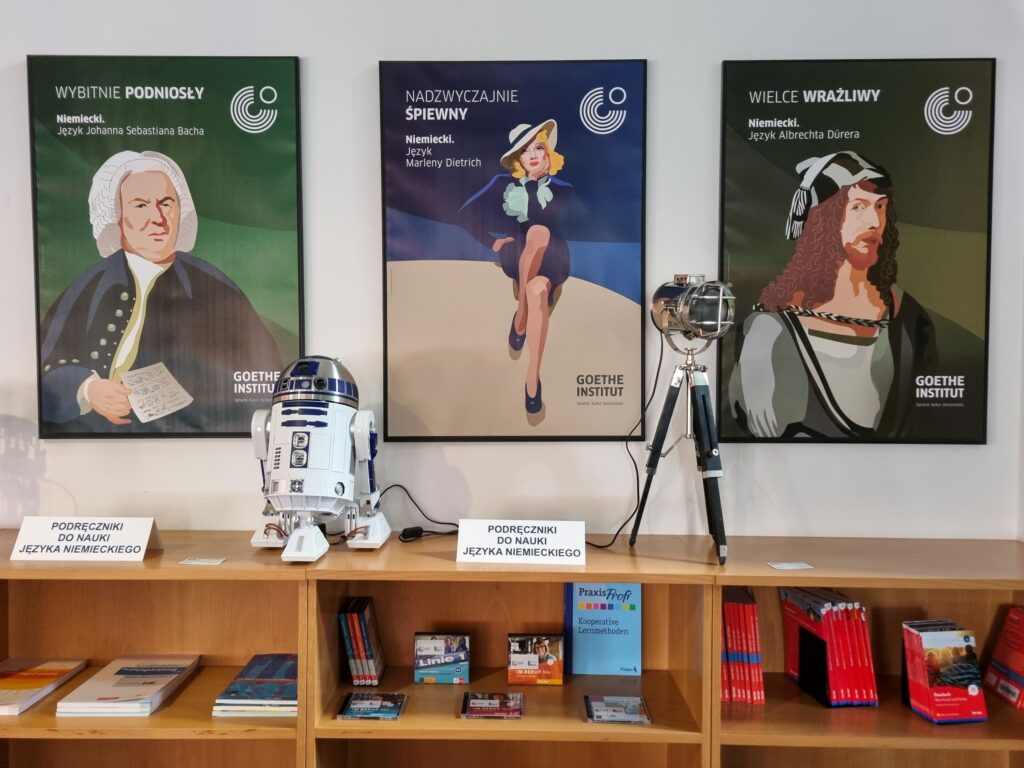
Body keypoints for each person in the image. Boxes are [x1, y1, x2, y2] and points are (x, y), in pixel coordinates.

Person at [39, 150, 282, 433]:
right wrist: (89, 389)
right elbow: (47, 371)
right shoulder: (89, 287)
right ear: (116, 217)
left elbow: (262, 376)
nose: (158, 218)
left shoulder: (216, 287)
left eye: (166, 203)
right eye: (140, 205)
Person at [728, 151, 937, 439]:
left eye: (880, 207)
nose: (874, 221)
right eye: (858, 207)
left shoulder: (909, 318)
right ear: (823, 220)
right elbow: (766, 444)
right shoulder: (770, 331)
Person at [457, 119, 572, 415]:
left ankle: (532, 375)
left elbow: (549, 219)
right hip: (519, 250)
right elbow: (465, 213)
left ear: (548, 153)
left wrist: (537, 183)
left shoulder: (563, 188)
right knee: (536, 234)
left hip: (553, 258)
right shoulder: (503, 185)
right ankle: (521, 314)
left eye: (538, 147)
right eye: (525, 151)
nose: (532, 155)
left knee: (537, 290)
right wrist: (491, 242)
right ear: (518, 160)